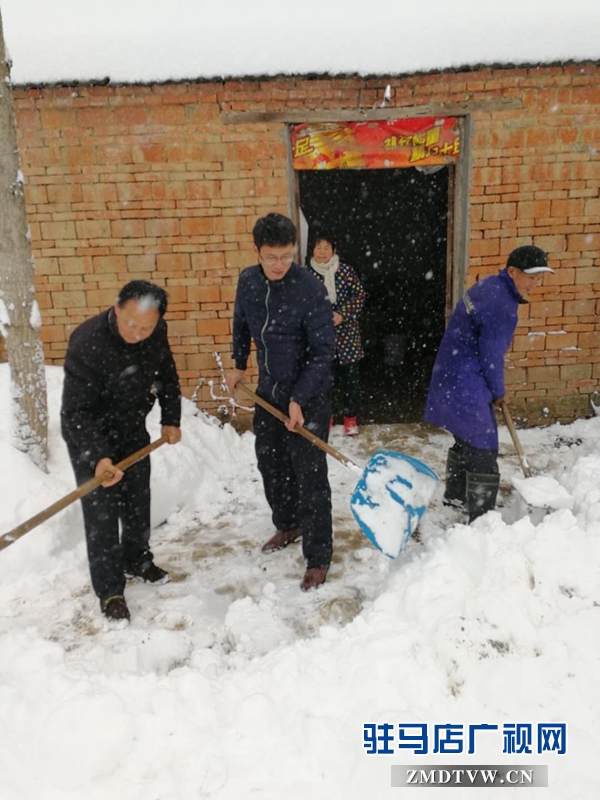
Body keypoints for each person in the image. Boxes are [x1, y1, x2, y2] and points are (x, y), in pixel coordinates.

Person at [226, 213, 335, 591]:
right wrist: (239, 364)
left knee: (310, 476)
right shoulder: (248, 282)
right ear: (256, 250)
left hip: (309, 395)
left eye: (286, 256)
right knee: (270, 463)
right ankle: (288, 524)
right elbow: (240, 322)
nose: (279, 265)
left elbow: (323, 352)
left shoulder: (309, 288)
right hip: (269, 392)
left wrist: (300, 399)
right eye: (271, 256)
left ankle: (318, 556)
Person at [61, 281, 182, 622]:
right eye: (132, 324)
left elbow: (167, 374)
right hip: (90, 435)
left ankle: (137, 559)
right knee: (101, 514)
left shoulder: (154, 332)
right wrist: (99, 456)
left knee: (136, 499)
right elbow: (77, 412)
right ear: (117, 309)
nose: (139, 333)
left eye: (147, 326)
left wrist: (171, 418)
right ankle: (110, 589)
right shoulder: (87, 342)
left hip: (131, 427)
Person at [424, 246, 554, 522]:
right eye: (530, 276)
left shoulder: (489, 286)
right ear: (512, 272)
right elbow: (491, 355)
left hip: (452, 371)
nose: (534, 283)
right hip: (465, 380)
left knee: (464, 437)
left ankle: (456, 497)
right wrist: (499, 391)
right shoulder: (502, 305)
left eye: (539, 277)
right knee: (483, 447)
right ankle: (482, 519)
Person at [308, 231, 366, 435]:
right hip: (320, 336)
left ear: (334, 251)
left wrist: (342, 313)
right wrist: (321, 316)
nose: (322, 252)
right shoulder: (307, 275)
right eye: (318, 247)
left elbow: (359, 297)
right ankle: (327, 416)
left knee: (351, 379)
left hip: (347, 335)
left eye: (326, 247)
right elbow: (302, 304)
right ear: (312, 250)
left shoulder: (346, 272)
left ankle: (350, 418)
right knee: (325, 379)